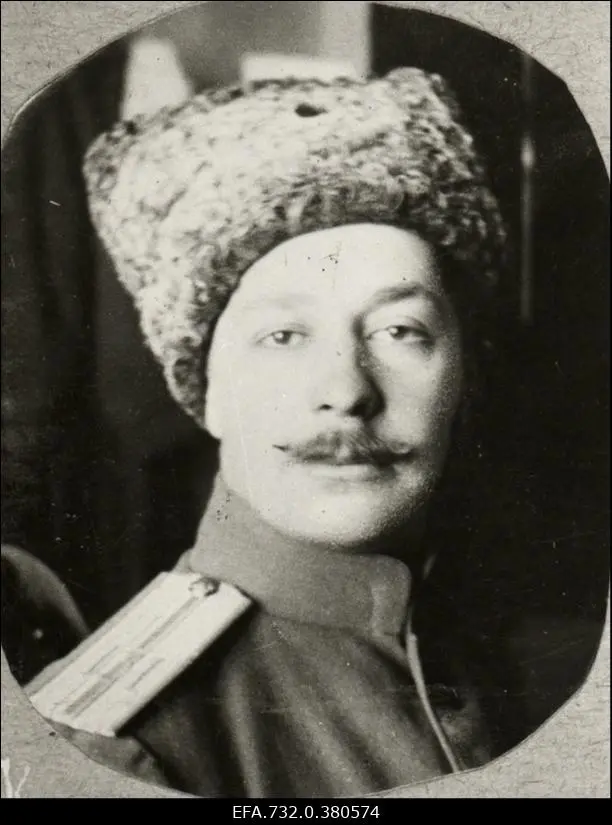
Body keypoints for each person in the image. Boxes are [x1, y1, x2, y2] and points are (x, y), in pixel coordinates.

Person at [25, 69, 531, 798]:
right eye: (284, 335)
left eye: (399, 330)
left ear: (462, 376)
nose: (346, 391)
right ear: (206, 391)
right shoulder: (111, 750)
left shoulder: (496, 665)